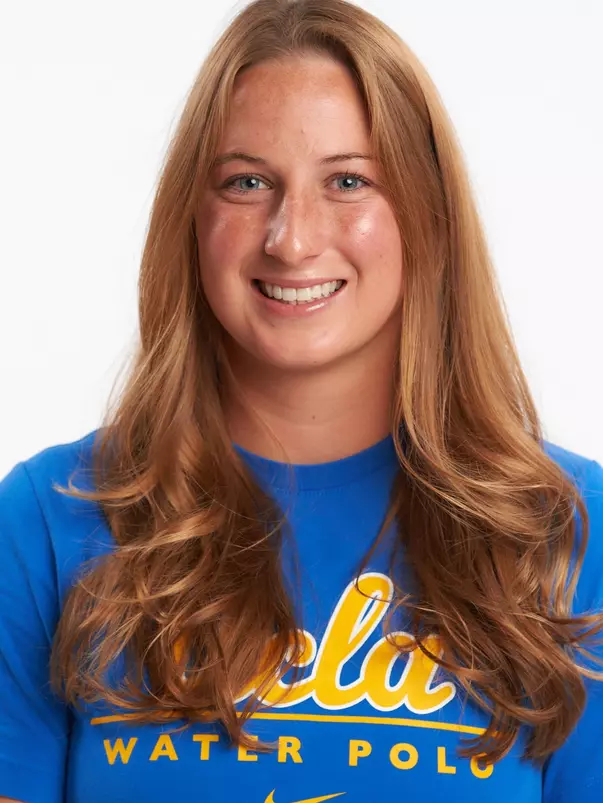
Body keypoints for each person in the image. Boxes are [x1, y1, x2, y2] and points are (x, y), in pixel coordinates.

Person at [1, 0, 602, 801]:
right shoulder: (50, 518)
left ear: (427, 214)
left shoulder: (568, 532)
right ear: (191, 216)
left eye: (348, 181)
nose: (290, 238)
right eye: (247, 182)